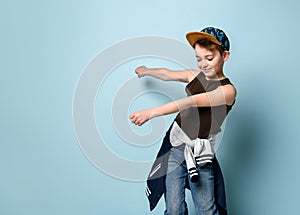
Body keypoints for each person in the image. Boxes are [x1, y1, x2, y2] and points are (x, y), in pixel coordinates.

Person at [130, 27, 236, 215]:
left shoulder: (227, 91)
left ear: (225, 56)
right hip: (175, 147)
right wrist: (146, 71)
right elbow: (167, 73)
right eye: (198, 58)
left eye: (209, 58)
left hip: (200, 154)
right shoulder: (195, 76)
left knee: (206, 209)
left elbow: (192, 101)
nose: (203, 64)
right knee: (173, 208)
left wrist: (151, 113)